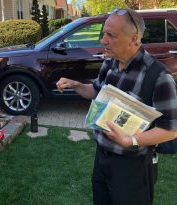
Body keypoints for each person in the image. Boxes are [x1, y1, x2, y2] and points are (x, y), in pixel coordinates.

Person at [56, 9, 177, 205]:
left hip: (133, 168)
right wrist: (75, 84)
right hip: (102, 159)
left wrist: (131, 140)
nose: (103, 41)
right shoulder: (110, 64)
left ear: (134, 39)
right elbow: (96, 92)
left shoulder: (159, 77)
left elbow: (171, 129)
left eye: (110, 35)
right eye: (104, 33)